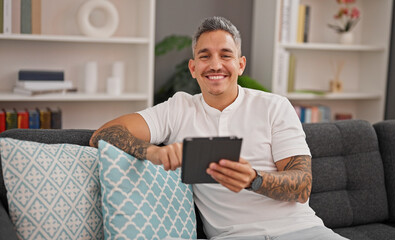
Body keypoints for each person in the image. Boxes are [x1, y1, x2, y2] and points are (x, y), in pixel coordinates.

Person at [90, 16, 347, 240]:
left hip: (302, 231)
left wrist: (254, 179)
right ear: (193, 68)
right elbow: (102, 135)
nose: (215, 65)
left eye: (226, 55)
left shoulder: (274, 106)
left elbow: (302, 186)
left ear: (241, 64)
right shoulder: (177, 109)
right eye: (205, 56)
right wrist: (153, 153)